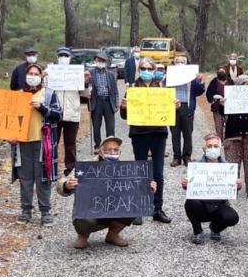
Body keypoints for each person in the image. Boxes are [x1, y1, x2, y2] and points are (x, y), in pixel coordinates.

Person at [57, 136, 156, 249]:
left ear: (120, 152)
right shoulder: (86, 167)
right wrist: (67, 185)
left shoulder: (126, 169)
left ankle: (112, 234)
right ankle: (83, 235)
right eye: (108, 150)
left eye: (115, 150)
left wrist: (148, 189)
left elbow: (136, 191)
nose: (112, 152)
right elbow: (61, 184)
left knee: (133, 205)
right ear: (101, 152)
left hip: (113, 210)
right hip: (89, 211)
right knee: (83, 220)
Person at [120, 57, 173, 224]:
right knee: (140, 170)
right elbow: (125, 116)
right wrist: (123, 108)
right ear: (139, 69)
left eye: (150, 69)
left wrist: (175, 107)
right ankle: (139, 209)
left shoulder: (162, 88)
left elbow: (169, 113)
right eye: (144, 68)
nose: (147, 71)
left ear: (154, 70)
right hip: (139, 133)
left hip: (158, 133)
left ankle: (157, 209)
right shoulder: (133, 88)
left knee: (158, 172)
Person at [11, 63, 63, 226]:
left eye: (36, 73)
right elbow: (8, 118)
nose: (32, 76)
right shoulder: (18, 95)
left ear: (41, 76)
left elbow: (58, 115)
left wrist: (42, 108)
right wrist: (9, 136)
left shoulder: (49, 94)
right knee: (25, 177)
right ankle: (26, 210)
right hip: (22, 142)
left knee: (43, 177)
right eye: (30, 73)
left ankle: (45, 211)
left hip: (43, 142)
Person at [181, 134, 242, 244]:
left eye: (215, 146)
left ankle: (215, 228)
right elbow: (190, 189)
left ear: (220, 148)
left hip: (220, 205)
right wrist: (185, 184)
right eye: (209, 146)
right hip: (201, 206)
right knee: (190, 202)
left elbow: (232, 191)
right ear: (204, 149)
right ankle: (197, 231)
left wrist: (238, 186)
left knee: (232, 218)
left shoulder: (228, 168)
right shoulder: (196, 167)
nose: (212, 149)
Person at [53, 47, 91, 174]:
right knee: (52, 142)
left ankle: (71, 167)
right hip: (54, 113)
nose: (63, 58)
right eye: (61, 55)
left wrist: (85, 83)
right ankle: (50, 167)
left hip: (72, 113)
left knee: (70, 143)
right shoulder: (51, 71)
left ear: (70, 58)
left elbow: (86, 95)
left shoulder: (77, 73)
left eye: (66, 56)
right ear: (57, 57)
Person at [223, 75, 248, 198]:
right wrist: (222, 104)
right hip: (233, 134)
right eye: (246, 84)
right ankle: (231, 189)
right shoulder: (230, 97)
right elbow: (219, 112)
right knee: (232, 163)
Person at [169, 54, 205, 166]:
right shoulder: (169, 76)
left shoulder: (191, 77)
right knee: (175, 134)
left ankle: (187, 156)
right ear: (174, 64)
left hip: (187, 107)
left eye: (182, 62)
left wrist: (199, 82)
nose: (180, 64)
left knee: (188, 133)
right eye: (177, 62)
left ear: (186, 64)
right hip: (173, 107)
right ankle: (176, 157)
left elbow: (198, 91)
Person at [87, 51, 119, 152]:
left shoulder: (110, 74)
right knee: (96, 126)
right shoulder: (90, 73)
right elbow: (85, 87)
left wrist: (116, 102)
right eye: (99, 60)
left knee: (110, 126)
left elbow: (115, 90)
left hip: (108, 102)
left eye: (103, 60)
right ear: (95, 60)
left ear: (106, 62)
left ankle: (110, 145)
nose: (100, 62)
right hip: (96, 102)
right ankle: (97, 145)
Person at [206, 65, 232, 140]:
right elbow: (209, 93)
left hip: (229, 108)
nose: (221, 73)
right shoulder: (213, 82)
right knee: (218, 125)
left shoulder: (230, 81)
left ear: (226, 72)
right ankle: (220, 141)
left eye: (223, 71)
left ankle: (228, 140)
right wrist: (213, 100)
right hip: (217, 107)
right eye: (220, 71)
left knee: (230, 125)